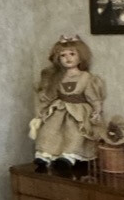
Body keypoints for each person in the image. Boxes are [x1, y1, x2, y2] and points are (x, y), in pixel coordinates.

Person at [29, 34, 106, 168]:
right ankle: (44, 154)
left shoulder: (86, 77)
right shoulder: (57, 77)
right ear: (58, 59)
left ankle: (69, 156)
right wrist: (42, 111)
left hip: (78, 112)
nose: (68, 58)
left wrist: (97, 110)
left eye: (72, 54)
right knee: (49, 131)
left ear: (81, 56)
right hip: (59, 109)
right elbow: (50, 95)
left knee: (74, 133)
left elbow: (93, 97)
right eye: (63, 55)